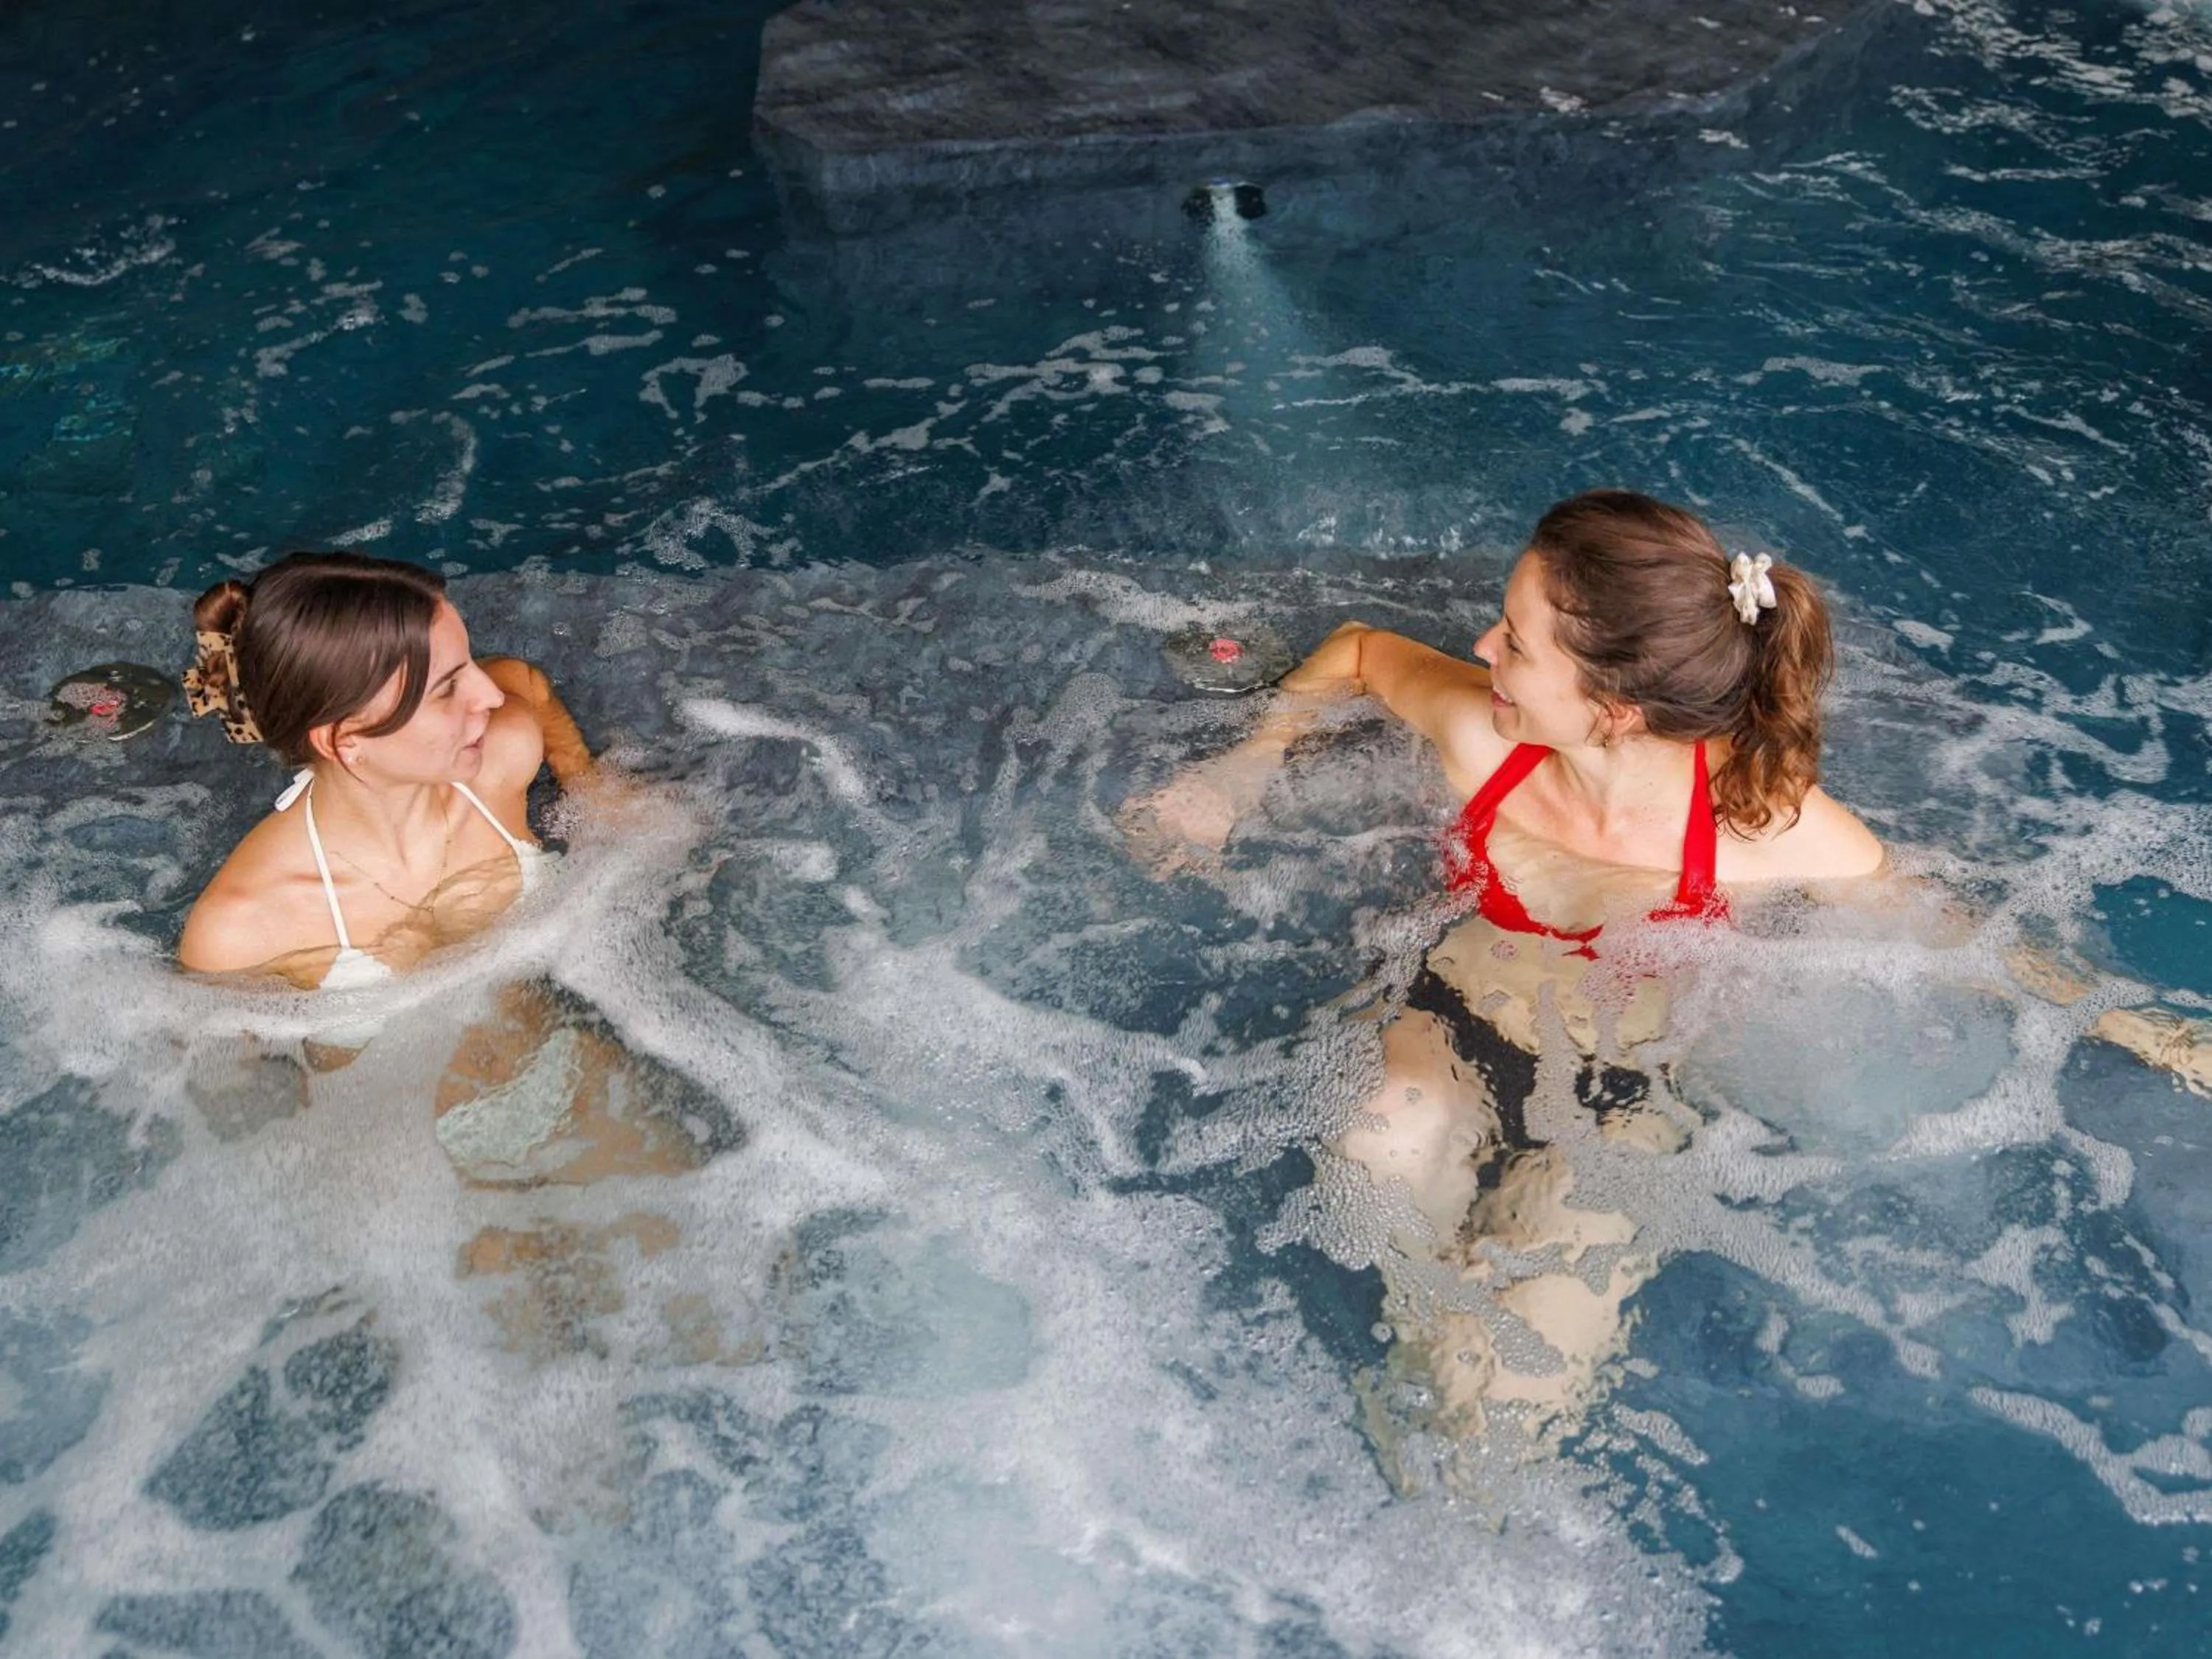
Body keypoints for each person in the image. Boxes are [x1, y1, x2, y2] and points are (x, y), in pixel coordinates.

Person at [1130, 490, 1888, 1454]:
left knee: (1503, 1418)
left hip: (1621, 1102)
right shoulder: (1485, 736)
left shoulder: (1764, 828)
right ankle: (1433, 1319)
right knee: (1375, 1152)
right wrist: (1247, 765)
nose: (1484, 646)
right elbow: (1360, 650)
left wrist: (2122, 1023)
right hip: (1448, 1024)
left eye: (1517, 644)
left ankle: (1450, 1382)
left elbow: (1943, 924)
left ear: (1614, 712)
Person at [177, 552, 733, 1355]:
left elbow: (529, 687)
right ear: (348, 741)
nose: (484, 694)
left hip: (565, 1080)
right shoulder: (244, 926)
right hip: (416, 1169)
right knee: (540, 1422)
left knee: (725, 1312)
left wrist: (589, 784)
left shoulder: (497, 752)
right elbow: (220, 1094)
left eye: (465, 663)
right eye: (447, 689)